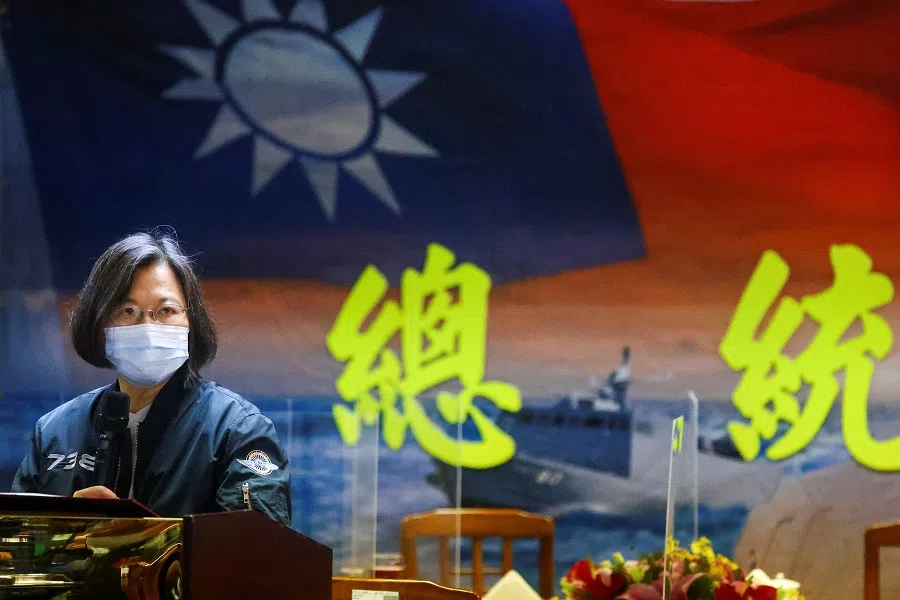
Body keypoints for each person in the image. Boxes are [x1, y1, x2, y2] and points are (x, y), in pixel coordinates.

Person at [11, 231, 291, 527]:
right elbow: (14, 547)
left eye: (166, 310)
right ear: (101, 324)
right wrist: (66, 530)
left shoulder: (237, 430)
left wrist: (138, 537)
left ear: (190, 321)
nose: (147, 325)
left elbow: (257, 555)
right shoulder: (54, 431)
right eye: (127, 310)